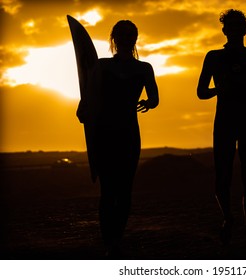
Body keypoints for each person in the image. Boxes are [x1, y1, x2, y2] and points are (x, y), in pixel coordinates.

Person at [77, 20, 159, 257]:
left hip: (117, 133)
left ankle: (112, 241)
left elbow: (153, 98)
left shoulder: (138, 68)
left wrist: (148, 103)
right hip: (117, 133)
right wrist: (147, 103)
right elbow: (84, 106)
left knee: (117, 190)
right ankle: (112, 240)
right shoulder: (109, 67)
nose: (124, 39)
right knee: (116, 190)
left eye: (126, 35)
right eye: (123, 35)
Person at [197, 9, 246, 245]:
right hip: (224, 122)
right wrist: (219, 90)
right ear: (224, 30)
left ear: (245, 30)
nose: (235, 30)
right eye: (231, 26)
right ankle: (228, 217)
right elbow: (201, 92)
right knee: (222, 175)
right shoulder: (213, 57)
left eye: (239, 26)